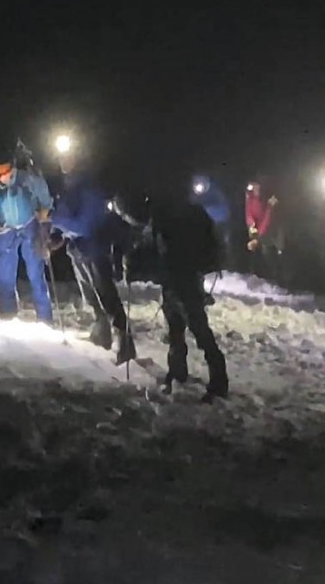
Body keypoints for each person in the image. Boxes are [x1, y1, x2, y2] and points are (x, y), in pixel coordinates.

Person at [113, 188, 228, 401]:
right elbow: (156, 250)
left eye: (129, 217)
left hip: (185, 279)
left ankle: (219, 381)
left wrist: (138, 262)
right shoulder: (161, 214)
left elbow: (166, 252)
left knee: (199, 330)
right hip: (175, 279)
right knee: (175, 329)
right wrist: (134, 260)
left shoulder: (168, 218)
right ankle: (177, 372)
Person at [50, 150, 135, 363]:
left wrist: (54, 219)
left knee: (106, 293)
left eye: (68, 158)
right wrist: (58, 235)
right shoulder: (69, 186)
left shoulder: (88, 188)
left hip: (95, 247)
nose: (63, 162)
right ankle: (101, 333)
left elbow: (84, 225)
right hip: (78, 248)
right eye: (61, 158)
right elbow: (67, 214)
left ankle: (125, 342)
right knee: (90, 293)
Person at [0, 147, 54, 323]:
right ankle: (7, 310)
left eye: (3, 172)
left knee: (35, 272)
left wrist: (45, 227)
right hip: (5, 229)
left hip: (30, 226)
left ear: (12, 167)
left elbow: (45, 202)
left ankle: (45, 317)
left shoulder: (29, 178)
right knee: (4, 273)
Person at [188, 174, 232, 269]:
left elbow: (221, 206)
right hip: (202, 224)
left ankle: (224, 265)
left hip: (218, 222)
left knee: (219, 244)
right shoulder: (194, 196)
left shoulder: (215, 191)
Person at [244, 181, 281, 280]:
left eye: (258, 186)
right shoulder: (249, 196)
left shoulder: (269, 199)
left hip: (267, 229)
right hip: (255, 228)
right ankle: (256, 274)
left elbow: (267, 217)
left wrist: (259, 234)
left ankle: (274, 276)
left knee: (267, 251)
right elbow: (248, 211)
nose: (255, 188)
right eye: (254, 186)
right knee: (254, 250)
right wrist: (251, 224)